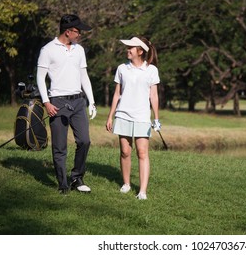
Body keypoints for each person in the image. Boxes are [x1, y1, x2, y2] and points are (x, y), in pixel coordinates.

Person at [36, 14, 97, 194]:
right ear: (68, 31)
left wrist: (91, 101)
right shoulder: (47, 50)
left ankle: (77, 177)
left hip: (78, 101)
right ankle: (63, 184)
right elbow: (41, 78)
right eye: (78, 31)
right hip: (58, 102)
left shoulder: (79, 50)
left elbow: (84, 76)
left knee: (84, 141)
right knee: (60, 146)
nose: (80, 35)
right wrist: (46, 102)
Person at [106, 36, 161, 200]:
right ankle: (126, 184)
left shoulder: (151, 70)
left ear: (140, 51)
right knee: (125, 151)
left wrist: (156, 119)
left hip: (142, 117)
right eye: (127, 47)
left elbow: (154, 96)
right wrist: (110, 117)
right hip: (123, 115)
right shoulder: (122, 68)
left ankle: (142, 191)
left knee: (142, 153)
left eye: (131, 47)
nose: (127, 50)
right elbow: (117, 94)